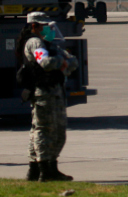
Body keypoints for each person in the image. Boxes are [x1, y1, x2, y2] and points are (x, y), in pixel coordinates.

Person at [19, 12, 78, 182]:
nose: (49, 29)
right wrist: (62, 62)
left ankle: (39, 169)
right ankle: (45, 169)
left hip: (53, 91)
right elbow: (44, 62)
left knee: (53, 131)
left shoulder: (48, 43)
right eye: (44, 26)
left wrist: (63, 61)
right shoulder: (35, 43)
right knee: (45, 131)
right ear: (34, 26)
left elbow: (72, 60)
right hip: (44, 92)